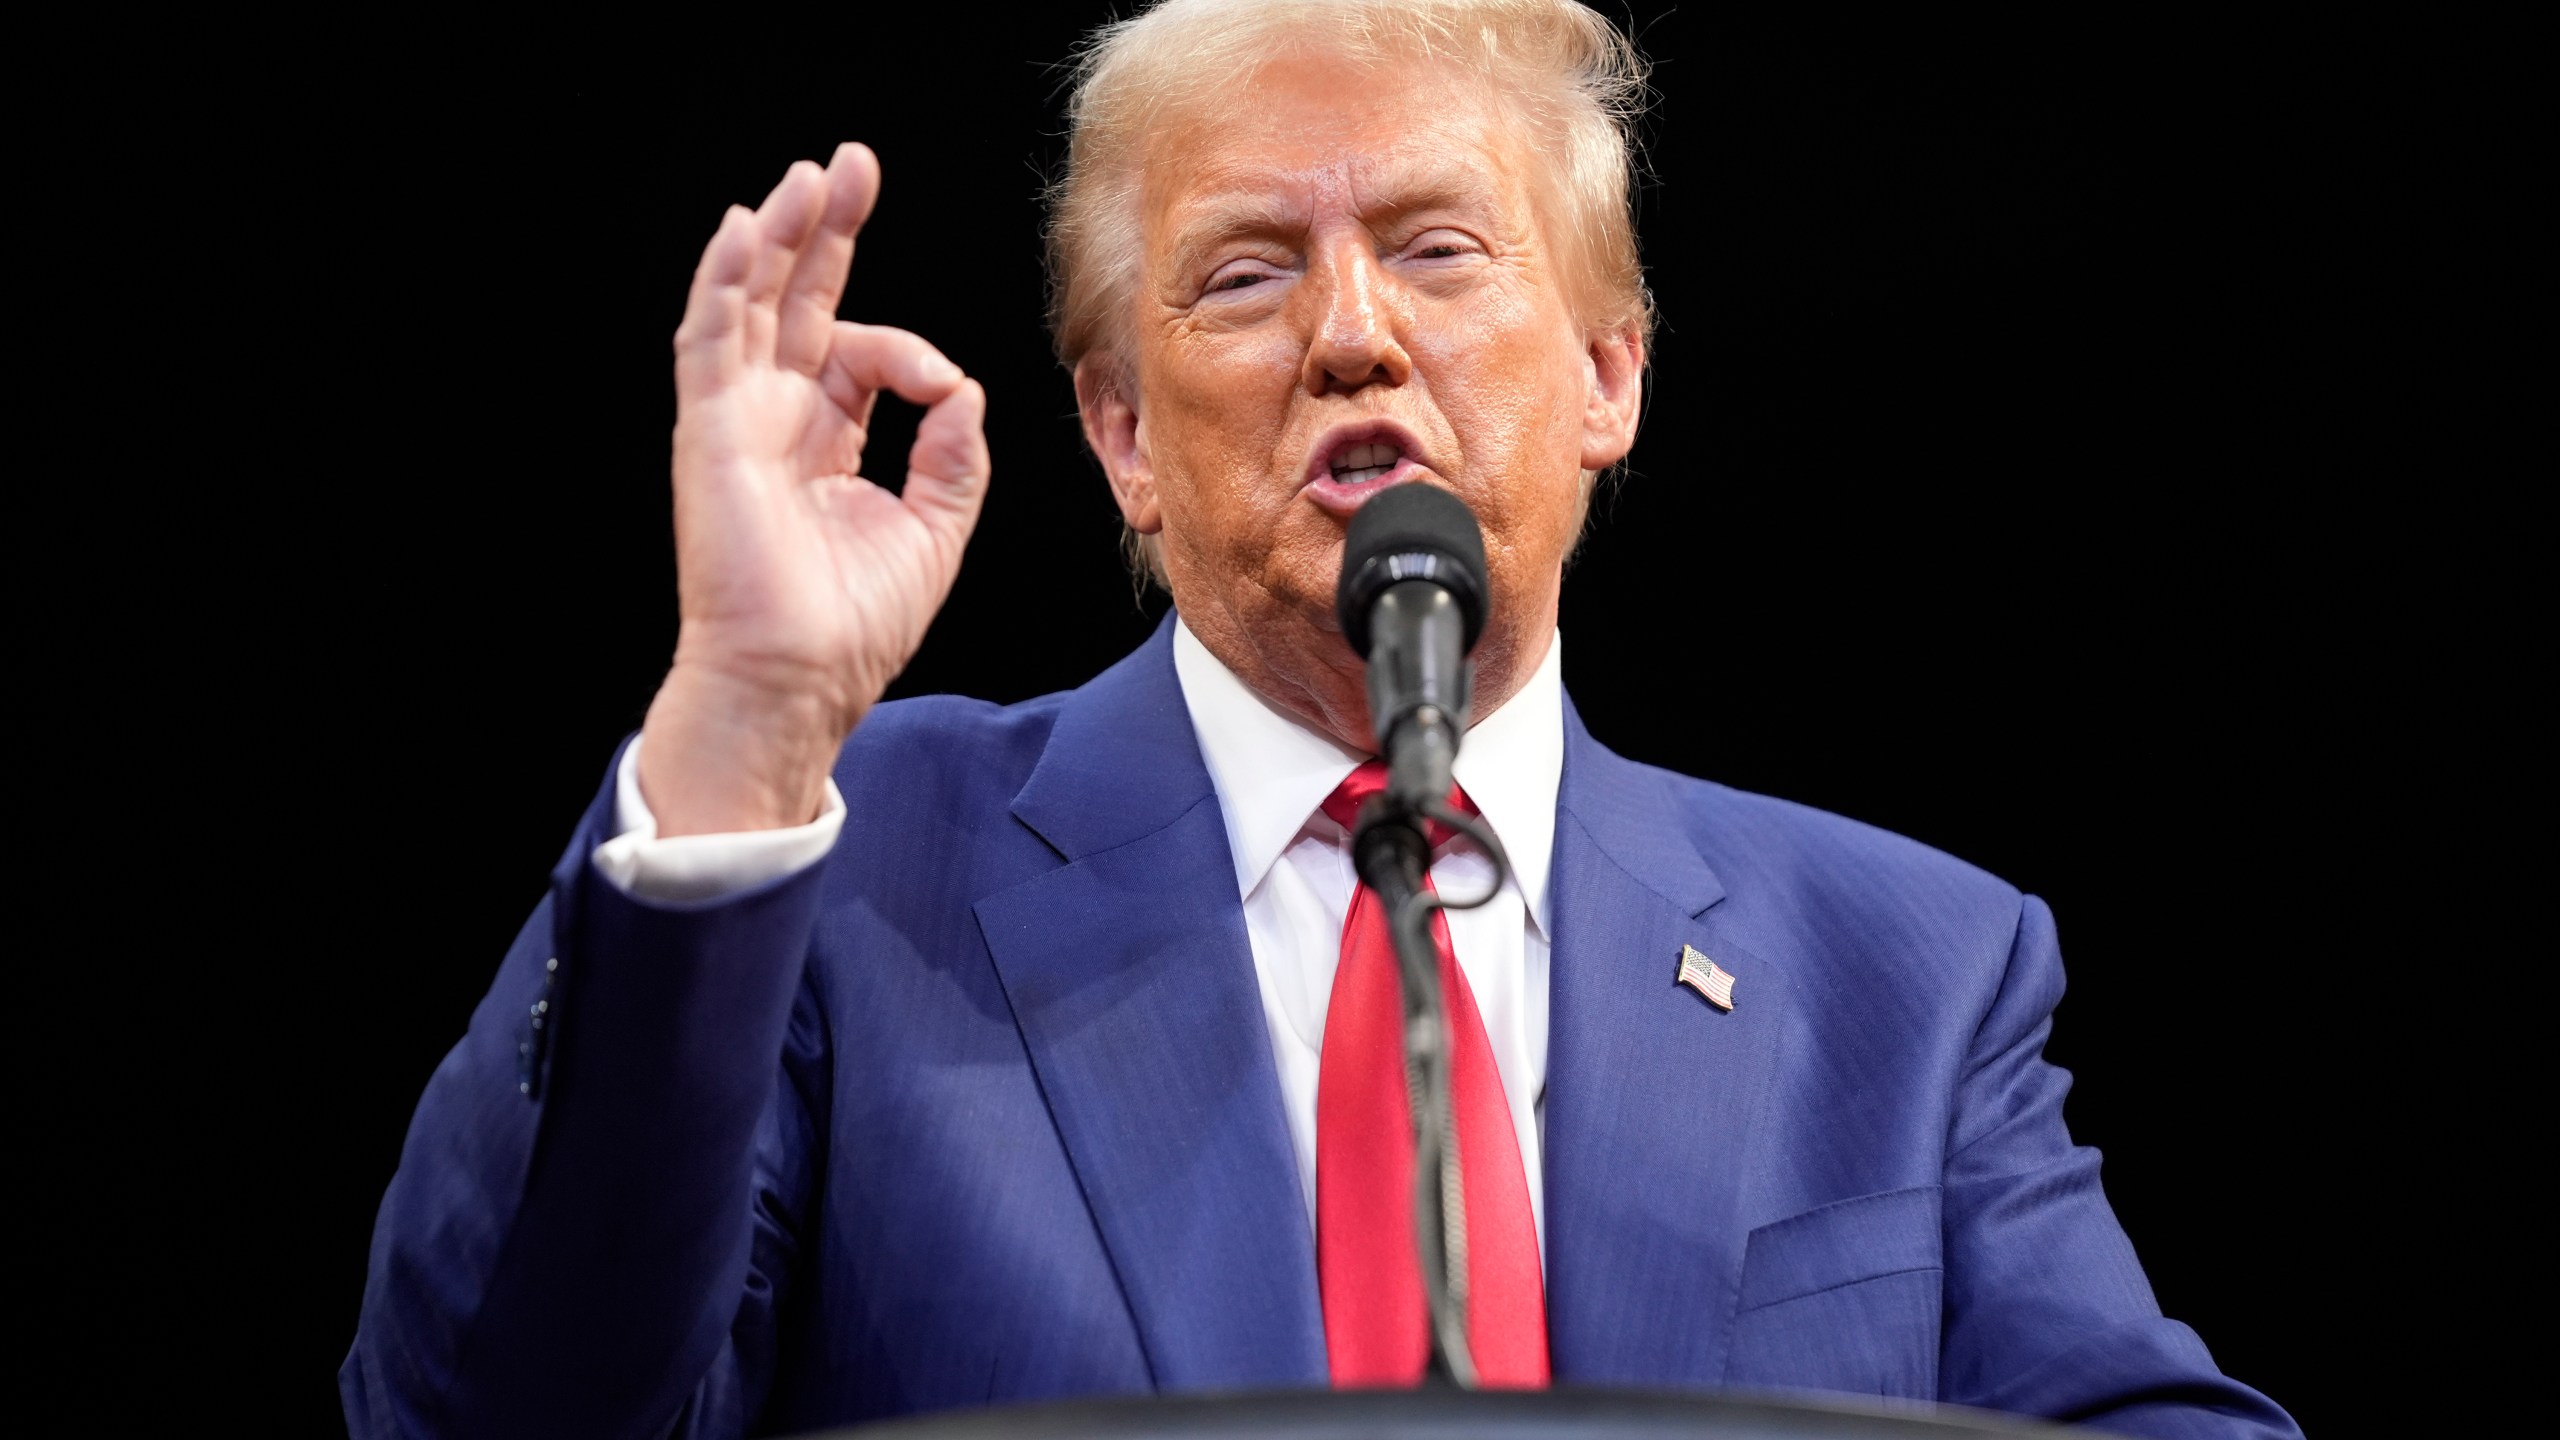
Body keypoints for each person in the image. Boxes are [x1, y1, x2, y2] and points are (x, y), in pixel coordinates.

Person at [343, 3, 2298, 1436]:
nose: (1352, 330)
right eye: (1245, 271)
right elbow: (488, 1413)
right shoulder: (858, 874)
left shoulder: (1909, 965)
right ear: (1118, 432)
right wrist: (748, 721)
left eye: (1437, 249)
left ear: (1607, 373)